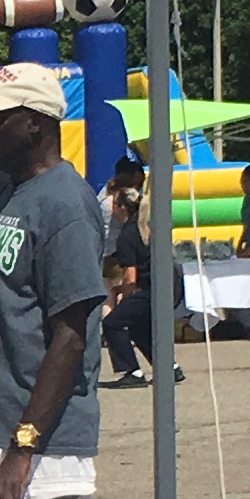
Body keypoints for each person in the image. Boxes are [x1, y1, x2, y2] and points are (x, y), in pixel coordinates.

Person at [0, 60, 105, 499]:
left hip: (42, 458)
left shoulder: (64, 203)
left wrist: (23, 446)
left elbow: (71, 334)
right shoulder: (10, 197)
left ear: (35, 124)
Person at [98, 157, 156, 385]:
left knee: (112, 320)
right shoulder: (141, 230)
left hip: (141, 287)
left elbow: (130, 277)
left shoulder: (126, 236)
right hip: (154, 285)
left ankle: (131, 370)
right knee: (136, 325)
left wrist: (127, 299)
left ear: (121, 208)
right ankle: (169, 366)